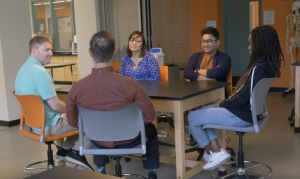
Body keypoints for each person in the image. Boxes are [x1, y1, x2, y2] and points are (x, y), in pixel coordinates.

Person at [65, 30, 160, 179]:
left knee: (96, 129)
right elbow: (150, 116)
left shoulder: (76, 89)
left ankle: (101, 170)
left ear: (90, 52)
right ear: (114, 52)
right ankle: (152, 172)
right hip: (130, 139)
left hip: (98, 140)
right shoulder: (131, 85)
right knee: (152, 130)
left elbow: (73, 122)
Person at [188, 25, 284, 170]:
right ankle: (216, 150)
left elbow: (242, 98)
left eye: (251, 43)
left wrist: (223, 103)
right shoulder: (268, 66)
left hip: (241, 114)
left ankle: (212, 152)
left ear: (261, 45)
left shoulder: (258, 68)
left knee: (192, 118)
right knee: (199, 114)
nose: (249, 47)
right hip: (250, 113)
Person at [15, 35, 94, 171]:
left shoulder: (23, 70)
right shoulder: (41, 73)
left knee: (73, 116)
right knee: (90, 117)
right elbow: (56, 106)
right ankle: (74, 152)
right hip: (47, 127)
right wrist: (74, 108)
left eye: (51, 50)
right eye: (46, 50)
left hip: (34, 124)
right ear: (34, 51)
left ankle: (64, 151)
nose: (51, 53)